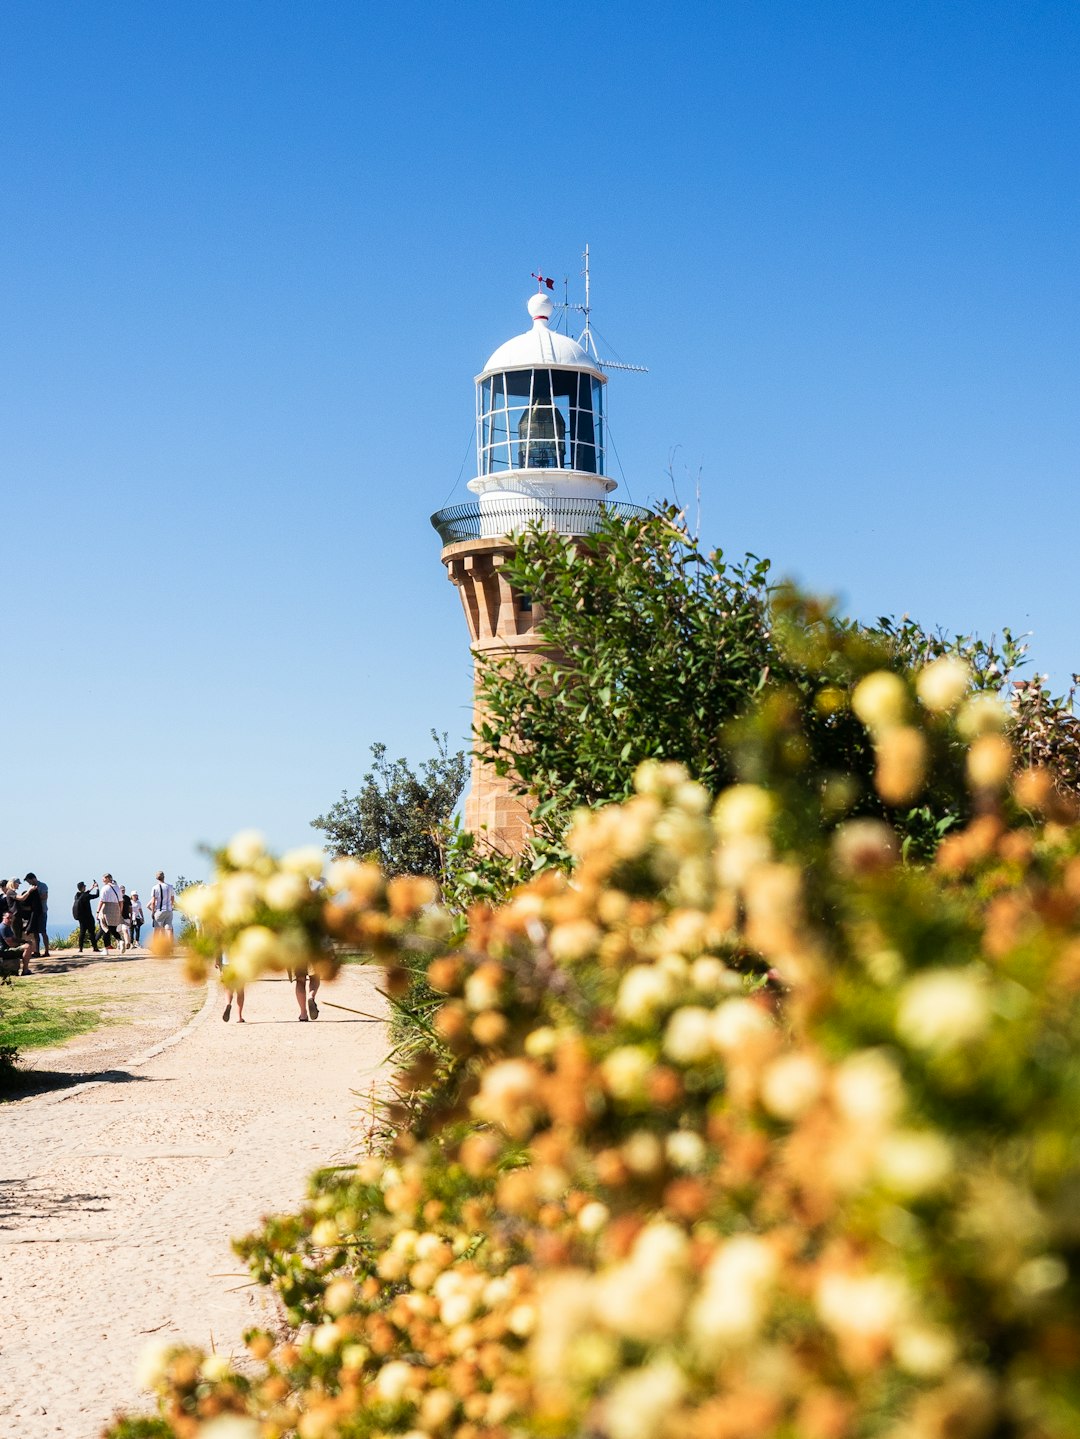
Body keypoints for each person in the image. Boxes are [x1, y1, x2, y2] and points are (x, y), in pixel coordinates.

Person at [17, 874, 43, 975]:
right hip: (35, 914)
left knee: (34, 933)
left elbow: (30, 905)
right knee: (35, 933)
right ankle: (35, 951)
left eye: (28, 881)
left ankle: (35, 951)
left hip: (34, 915)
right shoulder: (33, 892)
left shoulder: (36, 890)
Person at [97, 873, 123, 954]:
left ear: (108, 878)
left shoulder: (105, 888)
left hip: (106, 908)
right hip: (116, 908)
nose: (102, 880)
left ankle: (106, 949)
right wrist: (120, 911)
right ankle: (120, 940)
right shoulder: (118, 888)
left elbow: (101, 901)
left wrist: (98, 912)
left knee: (105, 928)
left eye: (104, 878)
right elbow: (121, 901)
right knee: (112, 928)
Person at [217, 951, 245, 1023]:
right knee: (240, 990)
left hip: (226, 964)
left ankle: (228, 1004)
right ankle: (240, 1017)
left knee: (228, 989)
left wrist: (217, 961)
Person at [72, 881, 100, 953]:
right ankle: (95, 947)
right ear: (83, 887)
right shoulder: (86, 896)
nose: (85, 887)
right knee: (91, 933)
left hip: (81, 918)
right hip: (88, 917)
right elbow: (97, 895)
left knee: (82, 933)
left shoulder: (76, 895)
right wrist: (97, 888)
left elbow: (85, 893)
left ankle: (80, 948)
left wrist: (92, 887)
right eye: (84, 886)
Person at [36, 876, 50, 957]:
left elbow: (45, 896)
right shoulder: (32, 887)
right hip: (35, 912)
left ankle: (46, 951)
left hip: (42, 911)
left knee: (43, 932)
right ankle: (37, 951)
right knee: (36, 933)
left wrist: (34, 896)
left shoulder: (43, 886)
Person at [119, 886, 133, 953]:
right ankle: (121, 944)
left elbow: (130, 908)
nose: (123, 891)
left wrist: (131, 916)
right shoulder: (119, 897)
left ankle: (126, 943)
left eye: (123, 890)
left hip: (125, 917)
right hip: (120, 917)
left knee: (124, 930)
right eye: (122, 890)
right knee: (120, 931)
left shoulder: (126, 898)